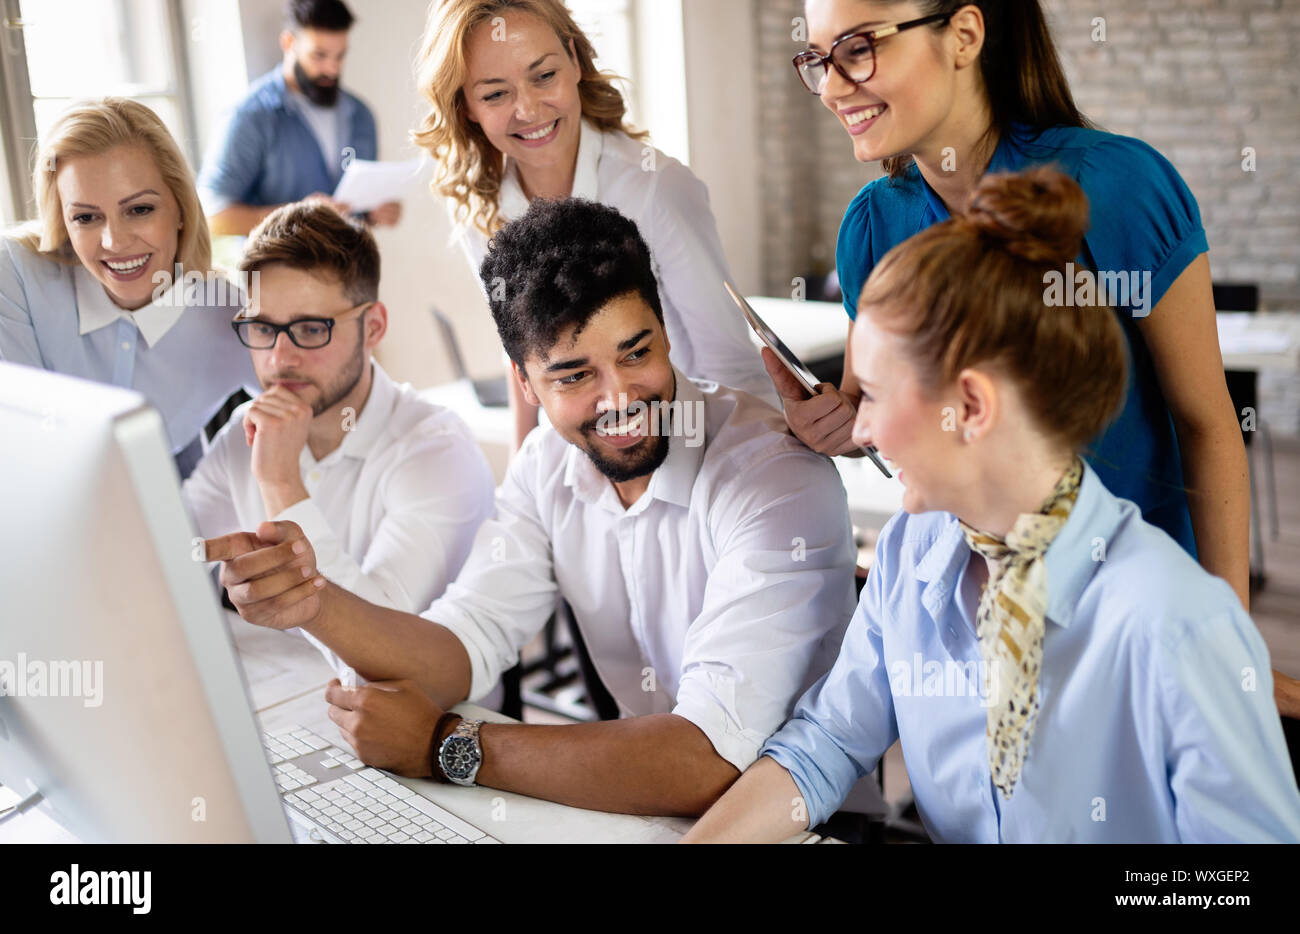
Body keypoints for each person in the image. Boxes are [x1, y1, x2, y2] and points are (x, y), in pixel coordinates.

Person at [682, 168, 1300, 844]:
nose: (859, 432)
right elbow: (826, 743)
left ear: (970, 407)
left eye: (878, 396)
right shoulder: (910, 550)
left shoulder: (1175, 622)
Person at [206, 198, 857, 817]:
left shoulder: (776, 478)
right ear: (524, 382)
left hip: (804, 821)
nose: (619, 397)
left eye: (638, 352)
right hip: (652, 809)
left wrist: (447, 747)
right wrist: (314, 600)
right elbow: (462, 645)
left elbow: (706, 760)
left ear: (664, 331)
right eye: (574, 375)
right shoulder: (547, 464)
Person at [772, 0, 1300, 718]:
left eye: (859, 47)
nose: (833, 86)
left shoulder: (1119, 189)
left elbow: (1208, 426)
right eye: (818, 58)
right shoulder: (873, 229)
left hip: (1138, 618)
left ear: (963, 35)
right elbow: (896, 426)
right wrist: (837, 424)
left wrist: (1226, 640)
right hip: (984, 622)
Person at [413, 0, 775, 449]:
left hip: (682, 443)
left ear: (575, 59)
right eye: (494, 94)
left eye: (544, 76)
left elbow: (730, 367)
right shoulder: (480, 210)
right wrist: (522, 471)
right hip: (578, 453)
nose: (528, 109)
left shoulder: (655, 189)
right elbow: (524, 356)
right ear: (466, 106)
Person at [183, 202, 494, 673]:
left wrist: (281, 481)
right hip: (294, 691)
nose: (279, 359)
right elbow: (167, 557)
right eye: (264, 329)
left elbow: (379, 657)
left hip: (422, 721)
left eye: (310, 328)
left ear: (372, 328)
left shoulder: (437, 451)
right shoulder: (244, 430)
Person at [0, 98, 256, 478]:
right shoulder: (16, 275)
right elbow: (19, 451)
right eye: (86, 217)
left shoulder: (231, 316)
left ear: (182, 209)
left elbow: (332, 408)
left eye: (139, 210)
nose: (114, 242)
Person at [198, 0, 401, 236]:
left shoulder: (361, 116)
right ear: (288, 43)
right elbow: (212, 217)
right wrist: (299, 215)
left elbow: (353, 212)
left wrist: (372, 214)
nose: (332, 69)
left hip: (351, 269)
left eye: (340, 56)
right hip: (277, 271)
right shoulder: (250, 116)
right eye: (319, 55)